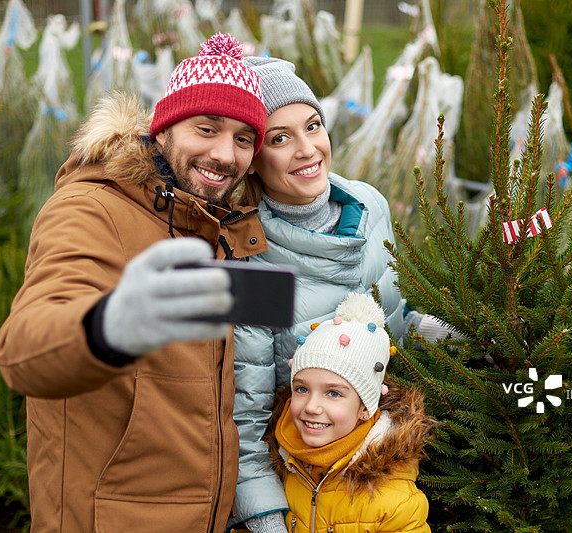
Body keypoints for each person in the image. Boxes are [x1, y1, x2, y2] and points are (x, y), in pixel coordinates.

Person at [0, 34, 268, 533]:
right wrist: (108, 328)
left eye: (243, 139)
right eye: (206, 128)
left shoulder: (217, 223)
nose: (225, 154)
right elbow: (23, 349)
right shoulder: (91, 209)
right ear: (163, 130)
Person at [230, 57, 453, 533]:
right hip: (306, 484)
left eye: (313, 126)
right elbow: (246, 420)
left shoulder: (369, 206)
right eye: (280, 137)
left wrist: (462, 334)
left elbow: (393, 320)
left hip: (383, 462)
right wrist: (268, 521)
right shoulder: (254, 259)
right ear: (252, 158)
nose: (308, 149)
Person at [267, 293, 436, 532]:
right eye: (302, 389)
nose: (311, 407)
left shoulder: (394, 501)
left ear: (365, 408)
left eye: (333, 393)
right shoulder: (286, 460)